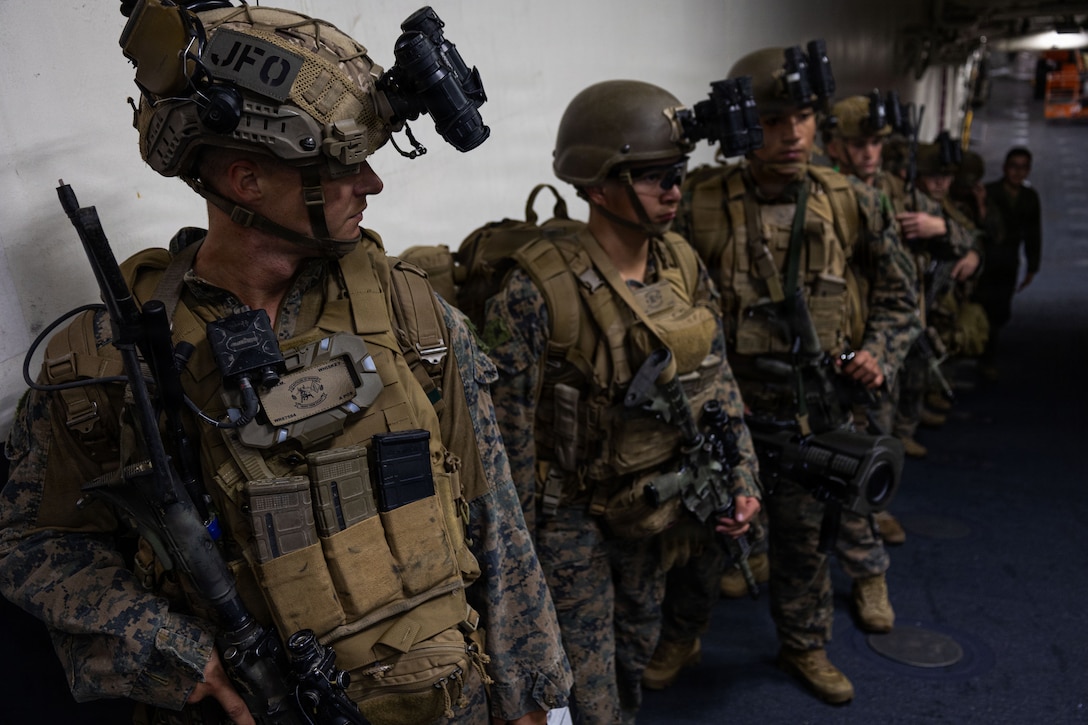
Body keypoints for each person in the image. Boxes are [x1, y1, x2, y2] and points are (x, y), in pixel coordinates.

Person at [0, 4, 571, 724]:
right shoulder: (114, 358)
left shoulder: (410, 315)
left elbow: (496, 519)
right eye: (343, 167)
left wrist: (531, 699)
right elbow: (33, 542)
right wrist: (176, 650)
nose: (373, 185)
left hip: (447, 698)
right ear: (246, 181)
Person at [480, 79, 762, 724]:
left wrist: (741, 475)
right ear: (597, 184)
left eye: (678, 174)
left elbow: (718, 381)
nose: (673, 190)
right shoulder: (536, 291)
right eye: (653, 176)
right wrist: (511, 586)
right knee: (588, 691)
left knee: (634, 653)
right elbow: (505, 446)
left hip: (651, 504)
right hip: (569, 522)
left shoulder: (681, 264)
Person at [654, 48, 921, 705]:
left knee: (804, 543)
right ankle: (681, 635)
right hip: (726, 411)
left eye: (803, 116)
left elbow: (901, 295)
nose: (794, 133)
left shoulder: (849, 201)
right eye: (776, 120)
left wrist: (879, 352)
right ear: (748, 125)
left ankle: (805, 644)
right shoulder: (702, 203)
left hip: (812, 411)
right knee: (706, 538)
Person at [825, 99, 981, 467]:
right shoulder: (823, 194)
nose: (868, 153)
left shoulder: (896, 191)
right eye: (859, 144)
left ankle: (875, 506)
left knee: (882, 420)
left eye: (875, 144)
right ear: (836, 146)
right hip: (844, 324)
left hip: (893, 324)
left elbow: (966, 240)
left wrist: (940, 229)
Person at [974, 147, 1042, 381]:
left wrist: (1033, 265)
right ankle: (985, 357)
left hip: (1009, 258)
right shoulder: (990, 192)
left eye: (1023, 167)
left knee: (1001, 309)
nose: (1017, 172)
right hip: (988, 256)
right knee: (984, 305)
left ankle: (985, 350)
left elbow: (1034, 233)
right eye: (1014, 166)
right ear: (1005, 168)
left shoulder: (1029, 198)